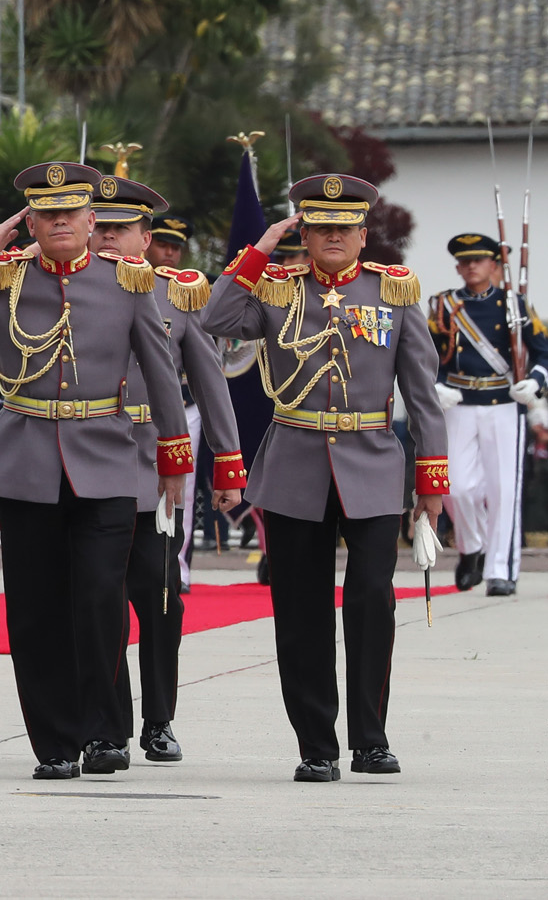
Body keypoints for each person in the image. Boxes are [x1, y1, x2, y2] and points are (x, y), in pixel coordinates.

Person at [0, 162, 192, 781]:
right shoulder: (0, 280)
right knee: (36, 609)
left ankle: (104, 732)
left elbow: (160, 367)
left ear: (92, 222)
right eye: (46, 214)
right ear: (30, 222)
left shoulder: (127, 281)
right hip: (28, 462)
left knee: (99, 600)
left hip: (107, 457)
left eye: (71, 213)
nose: (60, 222)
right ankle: (56, 742)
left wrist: (175, 457)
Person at [203, 174, 448, 782]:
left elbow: (422, 396)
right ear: (304, 234)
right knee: (300, 609)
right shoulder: (276, 288)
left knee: (371, 601)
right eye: (320, 227)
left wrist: (431, 485)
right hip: (294, 464)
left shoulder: (393, 293)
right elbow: (216, 317)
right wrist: (261, 248)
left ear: (363, 235)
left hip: (370, 461)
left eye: (344, 227)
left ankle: (370, 739)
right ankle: (316, 745)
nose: (333, 236)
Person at [88, 175, 246, 765]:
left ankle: (158, 718)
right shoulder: (64, 289)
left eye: (120, 229)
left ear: (146, 236)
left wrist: (227, 464)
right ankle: (105, 724)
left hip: (156, 467)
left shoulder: (175, 294)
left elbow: (210, 383)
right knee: (94, 598)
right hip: (88, 462)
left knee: (160, 600)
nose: (107, 239)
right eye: (99, 227)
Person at [426, 232, 548, 596]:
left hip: (503, 405)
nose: (471, 266)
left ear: (493, 265)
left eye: (478, 260)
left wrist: (537, 382)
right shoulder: (444, 306)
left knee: (503, 491)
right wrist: (436, 383)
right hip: (459, 403)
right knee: (457, 487)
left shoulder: (515, 305)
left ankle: (501, 570)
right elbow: (426, 354)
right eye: (464, 261)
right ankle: (472, 546)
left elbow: (543, 351)